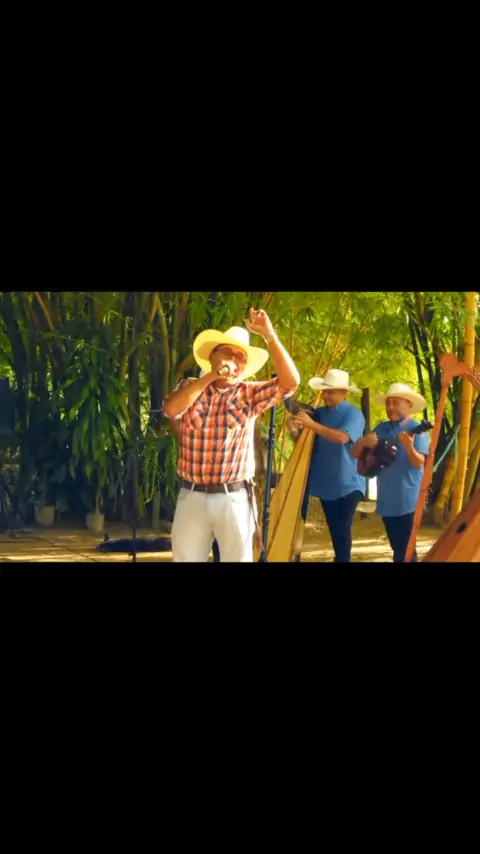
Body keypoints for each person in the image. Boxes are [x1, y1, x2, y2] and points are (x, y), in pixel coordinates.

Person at [163, 308, 300, 562]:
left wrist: (270, 336)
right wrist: (212, 376)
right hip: (192, 495)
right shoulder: (190, 387)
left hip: (234, 497)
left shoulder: (249, 393)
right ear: (212, 357)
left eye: (240, 357)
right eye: (227, 352)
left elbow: (290, 383)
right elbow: (171, 410)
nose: (234, 360)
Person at [288, 369, 366, 563]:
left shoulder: (354, 414)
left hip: (348, 484)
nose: (325, 396)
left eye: (330, 392)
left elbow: (342, 438)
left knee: (341, 530)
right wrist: (294, 431)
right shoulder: (319, 414)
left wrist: (311, 424)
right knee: (335, 530)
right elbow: (306, 446)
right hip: (325, 483)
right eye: (324, 391)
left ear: (344, 393)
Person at [350, 382, 430, 563]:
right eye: (388, 403)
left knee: (406, 550)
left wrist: (409, 447)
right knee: (397, 547)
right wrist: (363, 442)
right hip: (387, 500)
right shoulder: (381, 428)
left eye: (395, 402)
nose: (390, 407)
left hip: (408, 500)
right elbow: (355, 453)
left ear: (409, 404)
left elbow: (420, 463)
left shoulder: (418, 430)